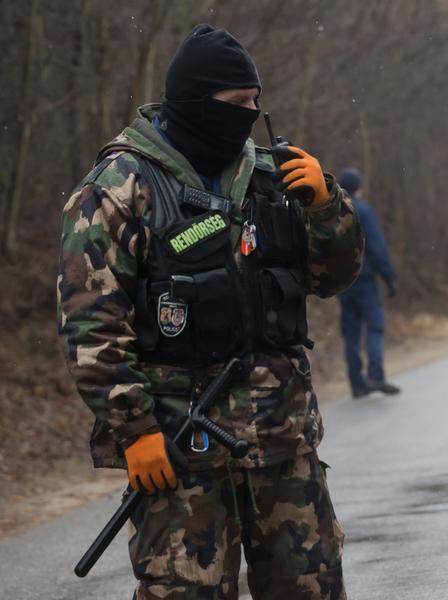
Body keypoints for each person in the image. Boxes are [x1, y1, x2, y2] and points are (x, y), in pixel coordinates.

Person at [57, 25, 361, 599]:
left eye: (255, 100)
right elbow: (91, 324)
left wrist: (327, 207)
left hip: (282, 442)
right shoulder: (119, 190)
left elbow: (333, 278)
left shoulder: (272, 175)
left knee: (312, 588)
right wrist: (135, 429)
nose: (250, 114)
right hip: (180, 453)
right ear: (197, 102)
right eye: (237, 101)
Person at [337, 167, 402, 398]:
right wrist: (389, 277)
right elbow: (376, 246)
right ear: (358, 188)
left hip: (342, 282)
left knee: (351, 331)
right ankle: (375, 376)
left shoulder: (332, 213)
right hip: (364, 279)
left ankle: (356, 383)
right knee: (374, 325)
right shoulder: (362, 211)